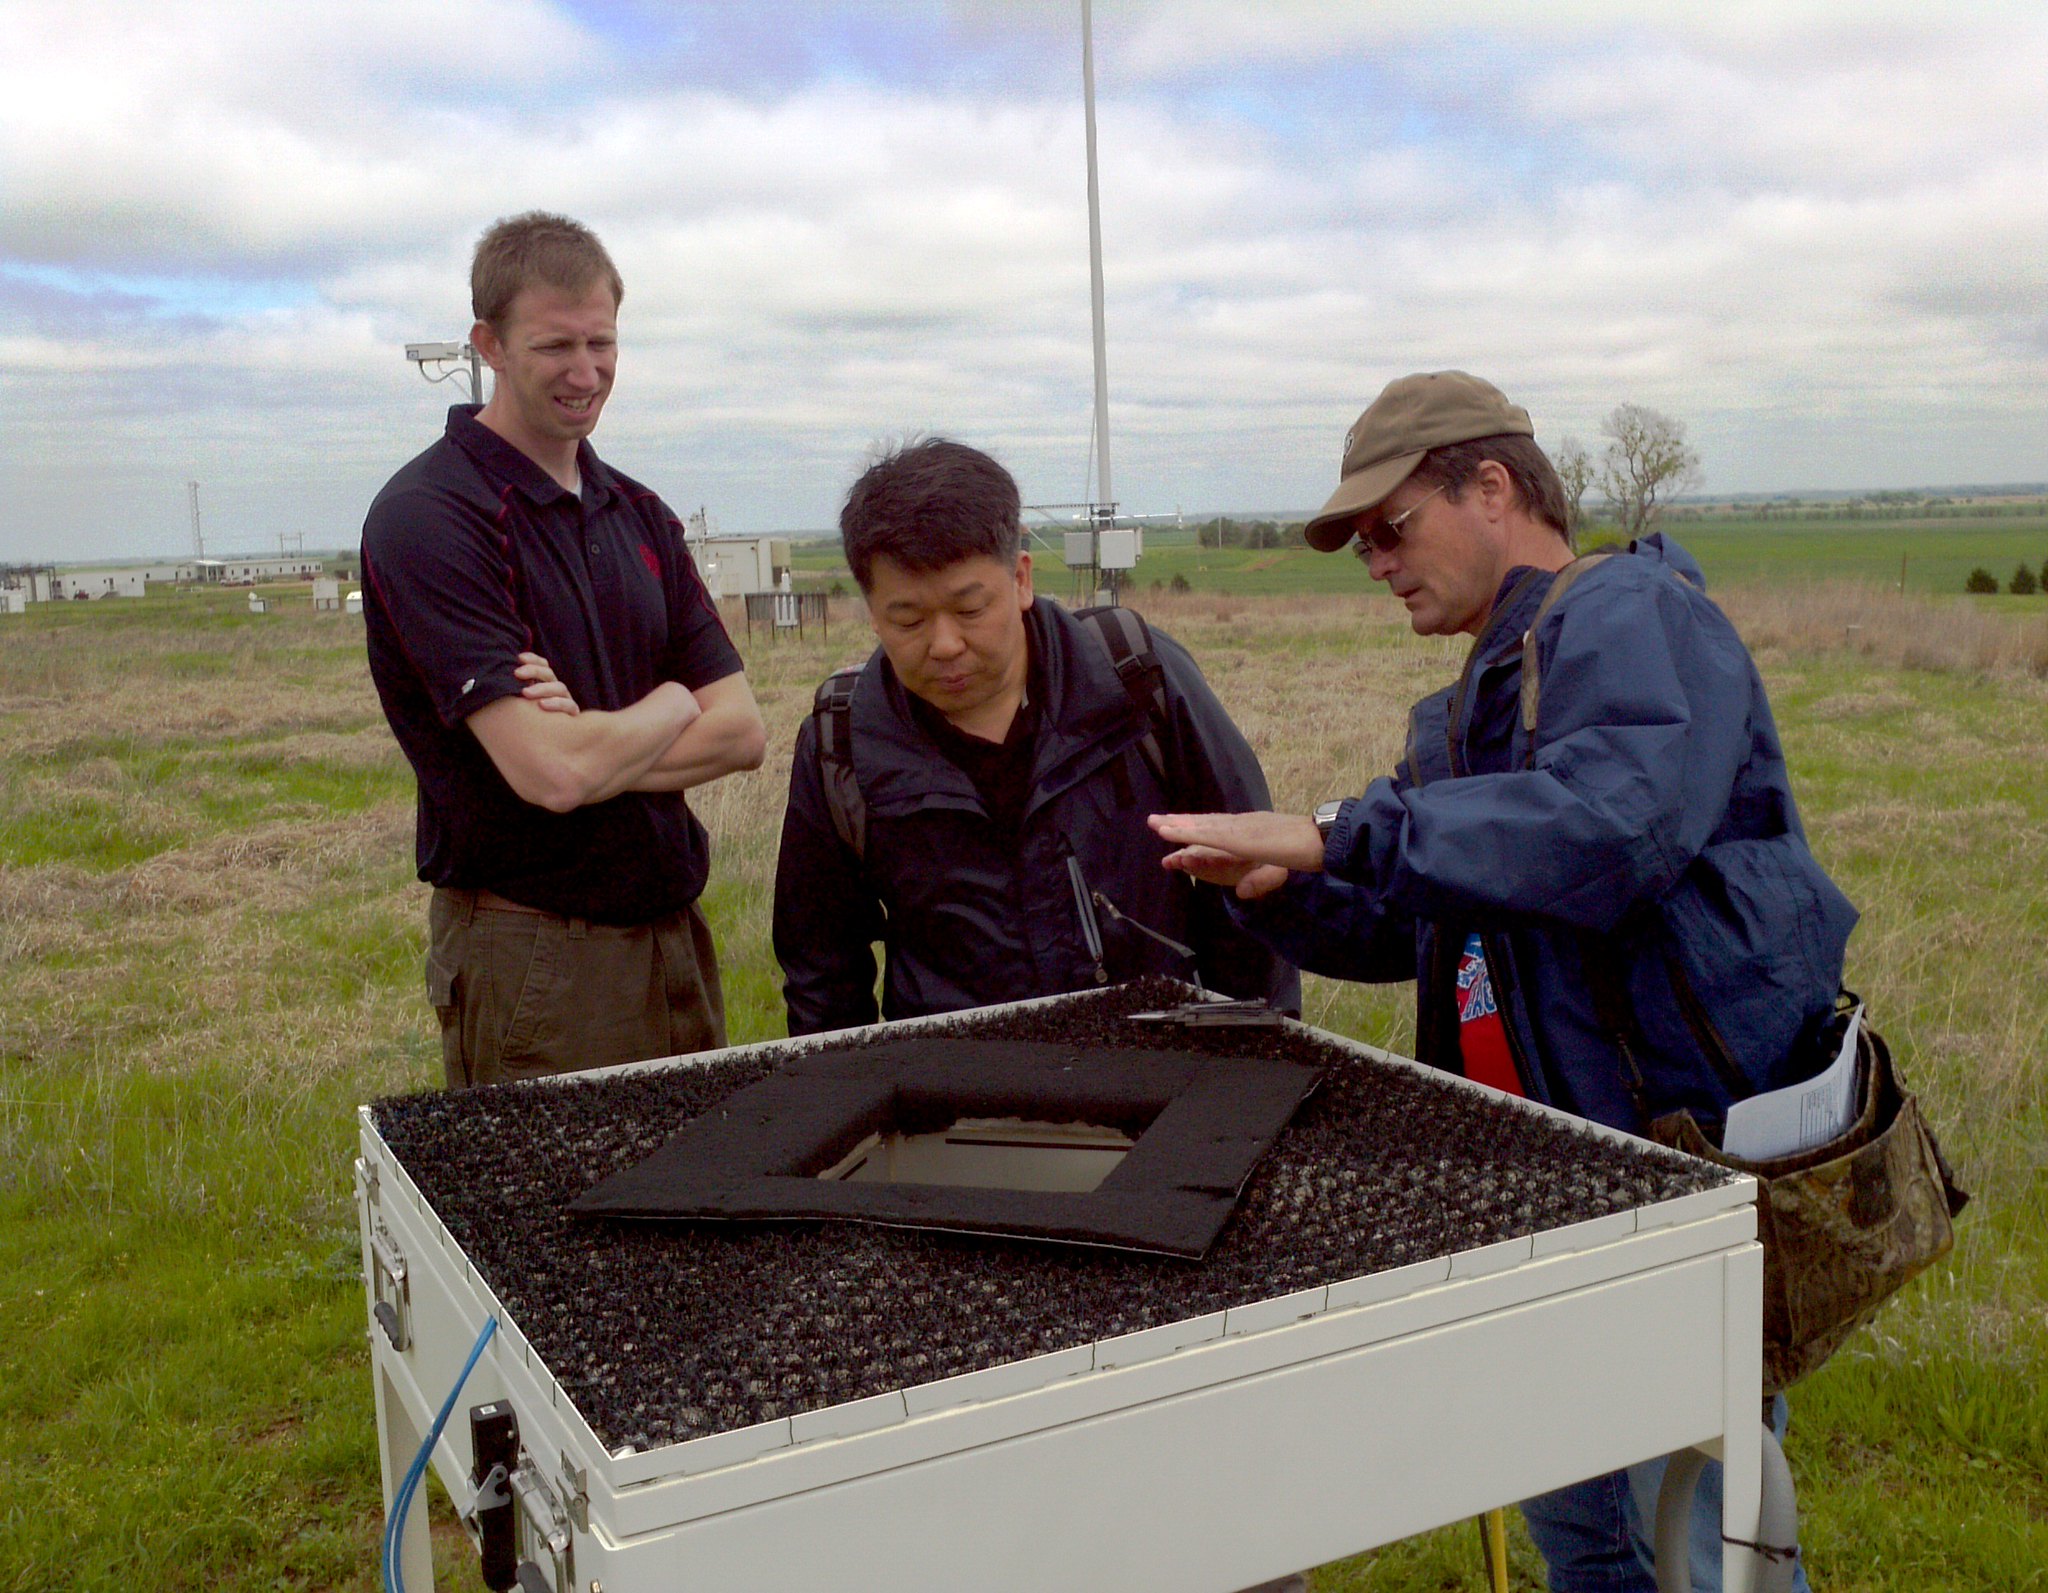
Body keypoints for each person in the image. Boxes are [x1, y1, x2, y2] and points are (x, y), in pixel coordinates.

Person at [1148, 371, 1850, 1592]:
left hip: (1664, 1174)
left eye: (1388, 525)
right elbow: (1443, 922)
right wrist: (1270, 885)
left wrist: (1335, 833)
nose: (1372, 560)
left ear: (1488, 487)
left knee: (1699, 1535)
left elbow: (1607, 832)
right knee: (1580, 1536)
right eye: (1357, 541)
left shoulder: (1625, 609)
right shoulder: (1470, 700)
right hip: (1532, 1184)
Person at [362, 211, 766, 1089]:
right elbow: (551, 778)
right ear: (490, 344)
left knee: (698, 1209)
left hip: (674, 938)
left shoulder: (639, 514)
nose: (586, 373)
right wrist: (666, 704)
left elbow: (742, 733)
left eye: (602, 342)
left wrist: (591, 738)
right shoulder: (432, 517)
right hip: (535, 951)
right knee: (557, 1225)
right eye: (554, 346)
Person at [772, 437, 1298, 1038]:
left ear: (1021, 578)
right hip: (954, 1098)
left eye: (970, 609)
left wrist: (1252, 1063)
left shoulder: (1134, 678)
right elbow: (820, 971)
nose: (944, 644)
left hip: (1158, 1072)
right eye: (908, 619)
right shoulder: (841, 744)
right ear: (871, 611)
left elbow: (1257, 880)